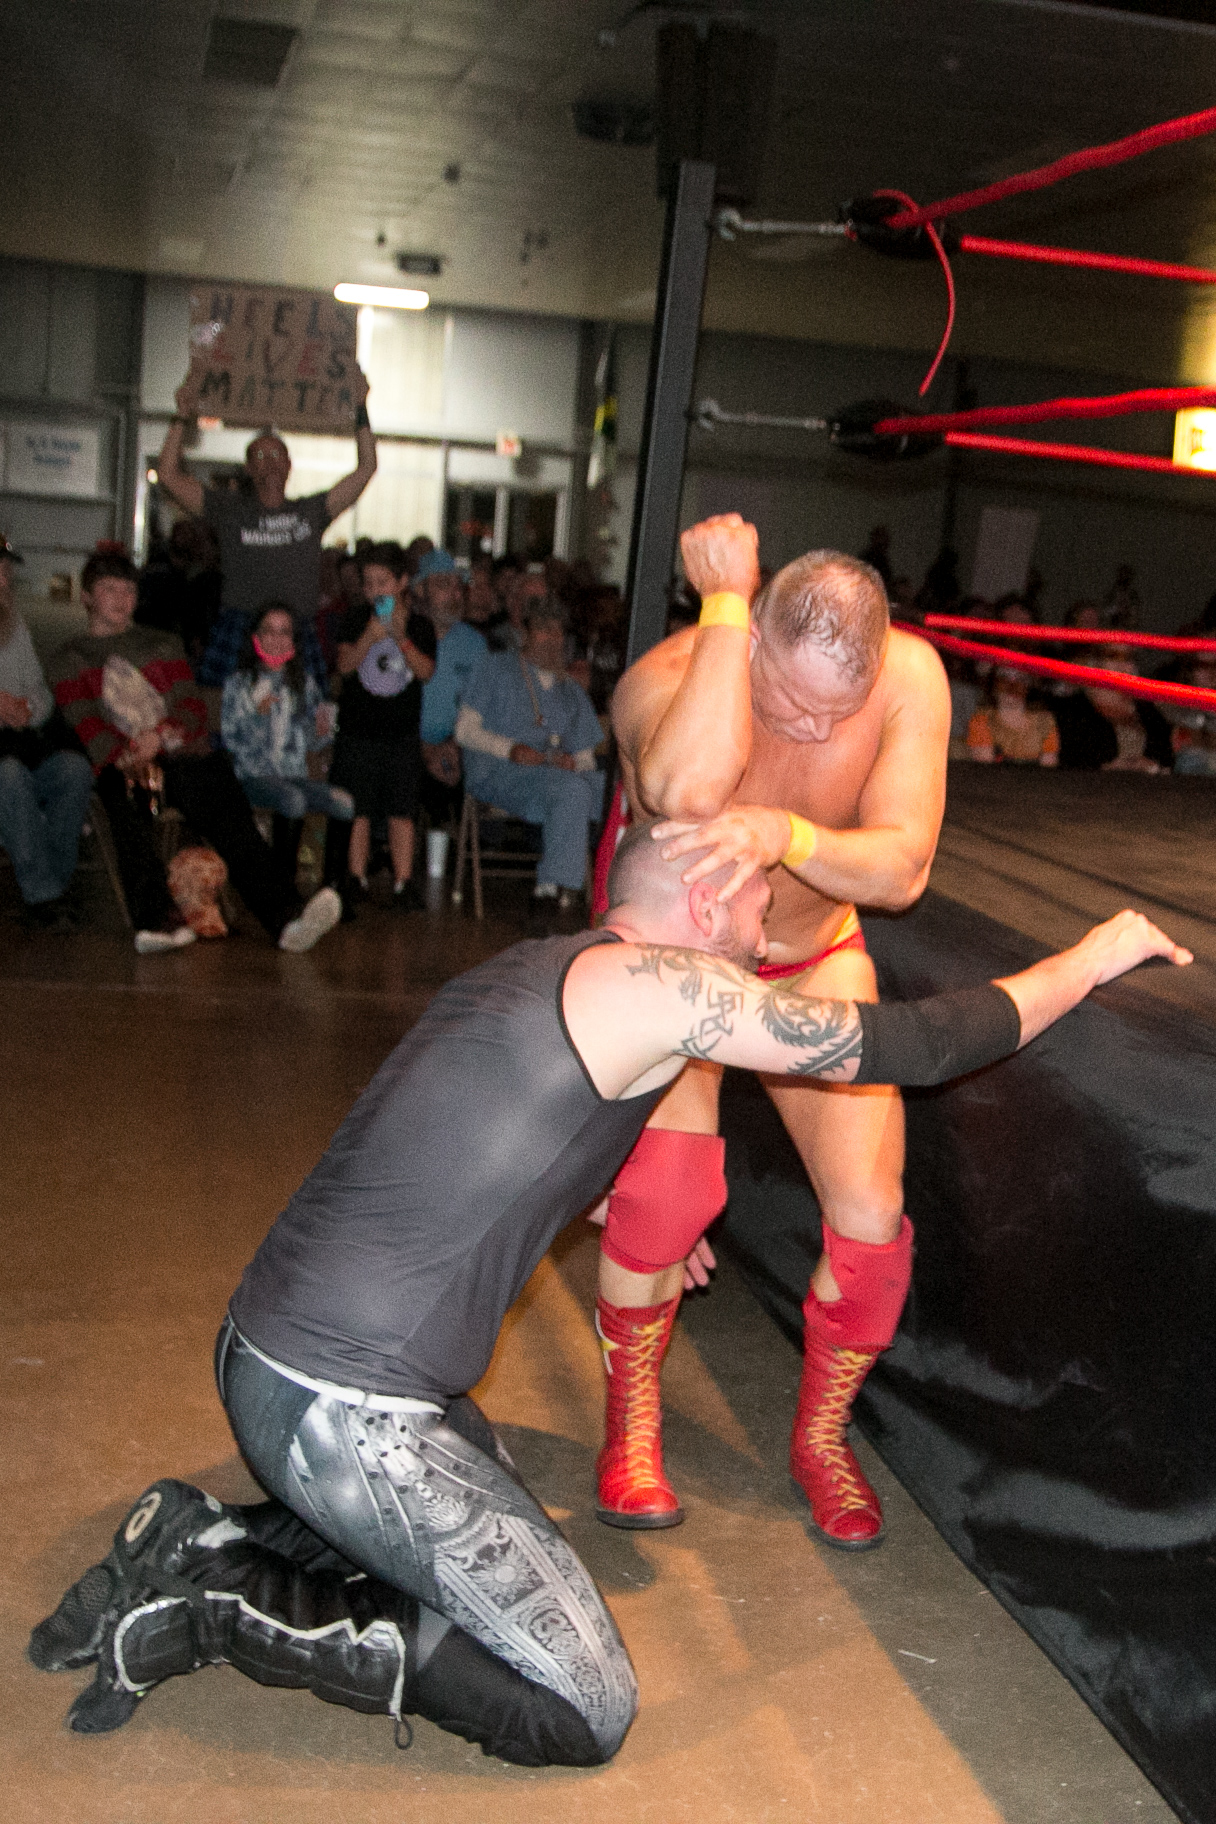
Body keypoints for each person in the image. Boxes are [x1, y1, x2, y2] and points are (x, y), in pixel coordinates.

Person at [28, 820, 1186, 1760]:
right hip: (344, 1409)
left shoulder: (542, 968)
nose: (769, 924)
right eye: (756, 898)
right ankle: (216, 1601)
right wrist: (1087, 959)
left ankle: (200, 1529)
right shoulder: (666, 989)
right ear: (699, 903)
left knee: (478, 1482)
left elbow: (478, 1134)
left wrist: (595, 1200)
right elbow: (912, 1047)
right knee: (580, 1706)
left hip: (276, 1355)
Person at [589, 513, 951, 1548]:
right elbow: (683, 792)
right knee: (662, 1199)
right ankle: (631, 1425)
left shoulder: (911, 678)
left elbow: (902, 868)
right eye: (787, 699)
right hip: (681, 970)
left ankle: (821, 1438)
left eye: (835, 712)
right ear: (748, 637)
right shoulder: (666, 678)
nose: (806, 730)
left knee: (873, 1219)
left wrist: (784, 833)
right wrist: (723, 598)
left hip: (809, 954)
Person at [48, 548, 343, 955]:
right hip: (121, 761)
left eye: (128, 590)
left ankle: (287, 917)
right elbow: (82, 719)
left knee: (226, 805)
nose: (121, 599)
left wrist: (160, 736)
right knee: (125, 803)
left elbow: (191, 707)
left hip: (177, 753)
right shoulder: (69, 657)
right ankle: (158, 921)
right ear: (86, 597)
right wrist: (127, 754)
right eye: (109, 589)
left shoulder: (161, 643)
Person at [157, 366, 377, 689]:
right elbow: (167, 475)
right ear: (248, 467)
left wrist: (360, 407)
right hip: (241, 627)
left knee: (302, 715)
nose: (270, 460)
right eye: (259, 454)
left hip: (296, 629)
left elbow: (366, 468)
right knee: (225, 713)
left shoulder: (312, 511)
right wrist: (181, 413)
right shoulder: (228, 509)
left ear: (289, 465)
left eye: (277, 454)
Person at [456, 597, 603, 908]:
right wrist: (509, 749)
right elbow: (464, 730)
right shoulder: (494, 667)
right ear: (524, 633)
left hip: (553, 779)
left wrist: (573, 762)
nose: (551, 638)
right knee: (573, 792)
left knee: (617, 792)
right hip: (500, 773)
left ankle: (618, 890)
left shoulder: (570, 689)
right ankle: (549, 888)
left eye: (558, 631)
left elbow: (586, 758)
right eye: (542, 629)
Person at [328, 542, 436, 910]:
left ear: (402, 581)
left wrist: (401, 638)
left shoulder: (419, 625)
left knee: (401, 810)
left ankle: (403, 882)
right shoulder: (355, 618)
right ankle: (356, 877)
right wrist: (368, 638)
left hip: (401, 733)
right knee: (358, 809)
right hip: (358, 731)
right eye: (368, 583)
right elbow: (344, 666)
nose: (375, 591)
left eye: (382, 582)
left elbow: (426, 671)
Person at [220, 601, 354, 885]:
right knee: (293, 799)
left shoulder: (303, 684)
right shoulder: (239, 684)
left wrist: (323, 730)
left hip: (294, 776)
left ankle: (334, 891)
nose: (277, 639)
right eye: (269, 631)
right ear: (256, 637)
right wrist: (258, 716)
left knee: (345, 803)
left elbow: (313, 744)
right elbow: (231, 741)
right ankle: (281, 887)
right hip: (253, 777)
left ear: (294, 640)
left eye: (284, 632)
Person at [0, 535, 94, 929]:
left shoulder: (13, 625)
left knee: (74, 769)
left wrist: (29, 709)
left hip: (22, 742)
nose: (4, 582)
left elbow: (38, 689)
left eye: (5, 573)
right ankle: (44, 894)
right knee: (9, 776)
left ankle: (53, 885)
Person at [416, 548, 486, 821]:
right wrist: (426, 750)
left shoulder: (474, 644)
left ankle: (448, 844)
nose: (455, 595)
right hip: (410, 747)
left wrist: (454, 747)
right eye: (444, 585)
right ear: (421, 590)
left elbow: (481, 706)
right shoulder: (405, 638)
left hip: (459, 747)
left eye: (459, 587)